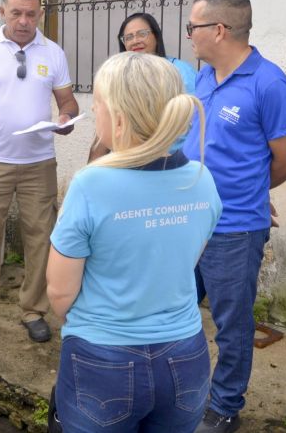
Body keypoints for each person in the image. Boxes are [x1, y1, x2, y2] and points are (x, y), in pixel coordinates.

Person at [47, 52, 222, 432]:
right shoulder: (202, 179)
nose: (94, 112)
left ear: (120, 117)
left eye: (97, 105)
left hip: (102, 361)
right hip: (186, 358)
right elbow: (188, 261)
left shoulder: (90, 184)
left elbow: (59, 294)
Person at [182, 0, 286, 433]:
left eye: (192, 27)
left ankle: (225, 406)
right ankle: (187, 390)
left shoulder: (269, 83)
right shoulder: (201, 79)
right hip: (187, 221)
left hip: (233, 228)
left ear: (219, 29)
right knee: (177, 310)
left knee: (232, 323)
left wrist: (253, 188)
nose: (188, 35)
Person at [0, 0, 79, 351]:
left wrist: (66, 118)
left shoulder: (53, 53)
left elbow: (68, 103)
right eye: (17, 13)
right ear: (2, 12)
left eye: (31, 14)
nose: (24, 21)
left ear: (40, 14)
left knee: (41, 238)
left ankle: (34, 311)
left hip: (39, 162)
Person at [88, 12, 198, 161]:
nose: (135, 41)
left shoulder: (180, 71)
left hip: (172, 161)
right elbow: (108, 122)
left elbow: (194, 120)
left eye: (142, 34)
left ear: (156, 36)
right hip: (129, 162)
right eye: (129, 37)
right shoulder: (119, 75)